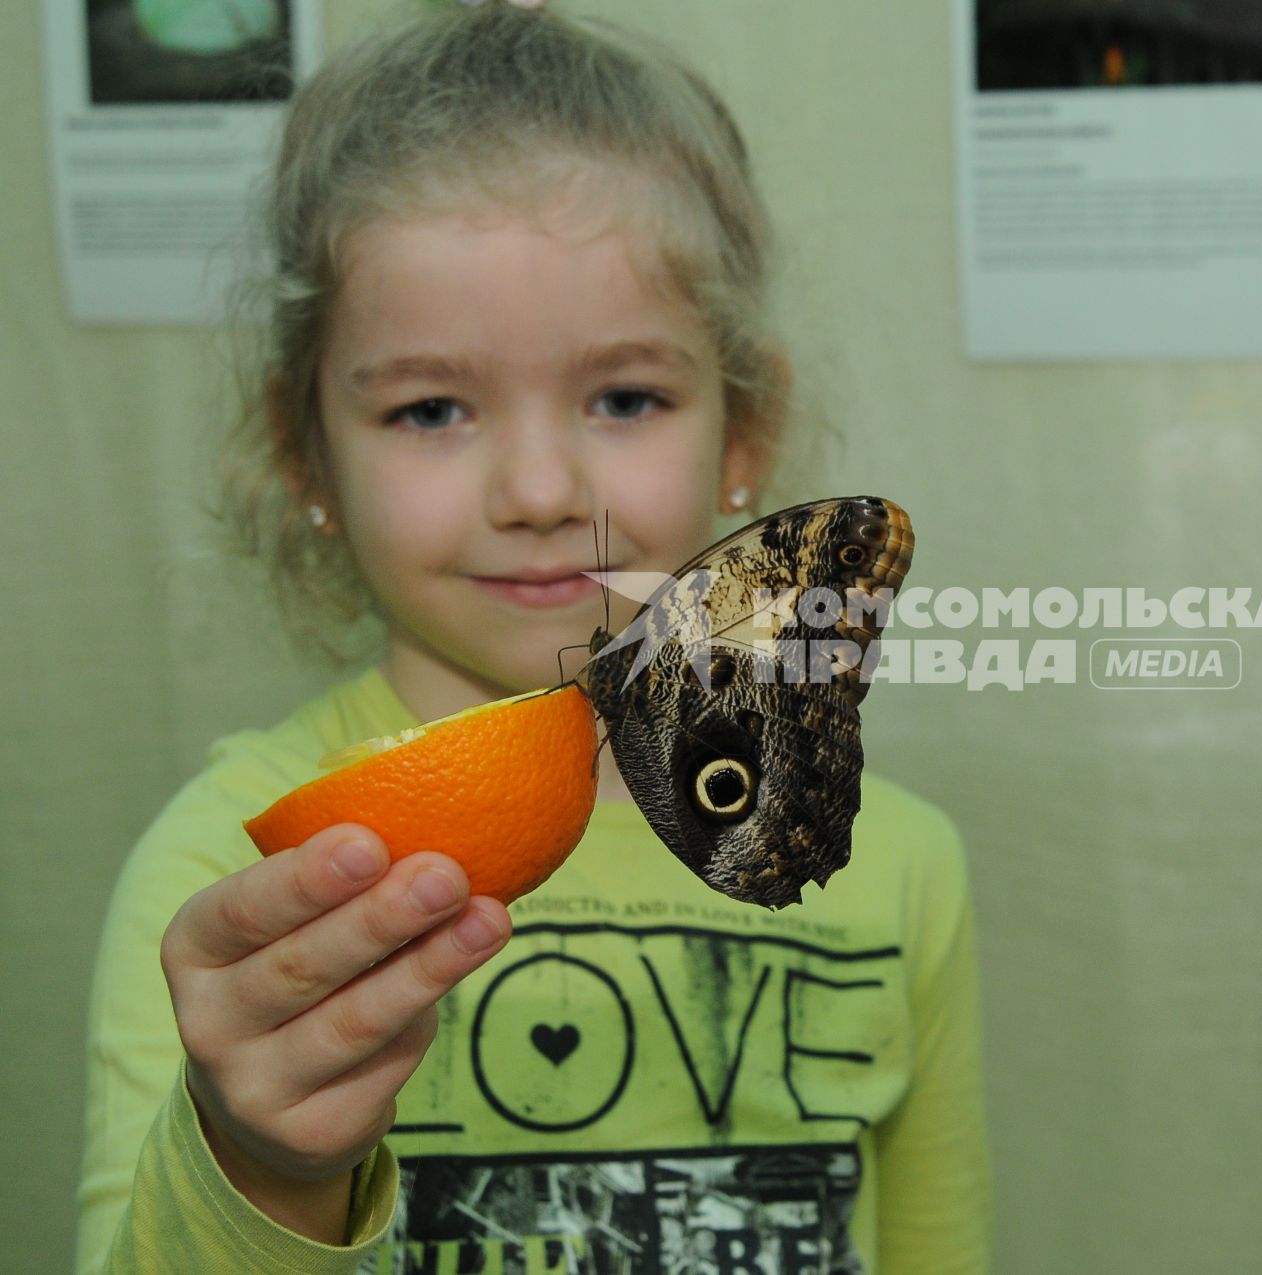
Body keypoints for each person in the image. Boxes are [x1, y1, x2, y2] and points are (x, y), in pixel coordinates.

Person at [73, 4, 991, 1272]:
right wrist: (263, 1168)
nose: (542, 489)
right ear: (307, 454)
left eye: (624, 397)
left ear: (743, 433)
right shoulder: (233, 883)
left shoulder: (884, 862)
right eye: (432, 407)